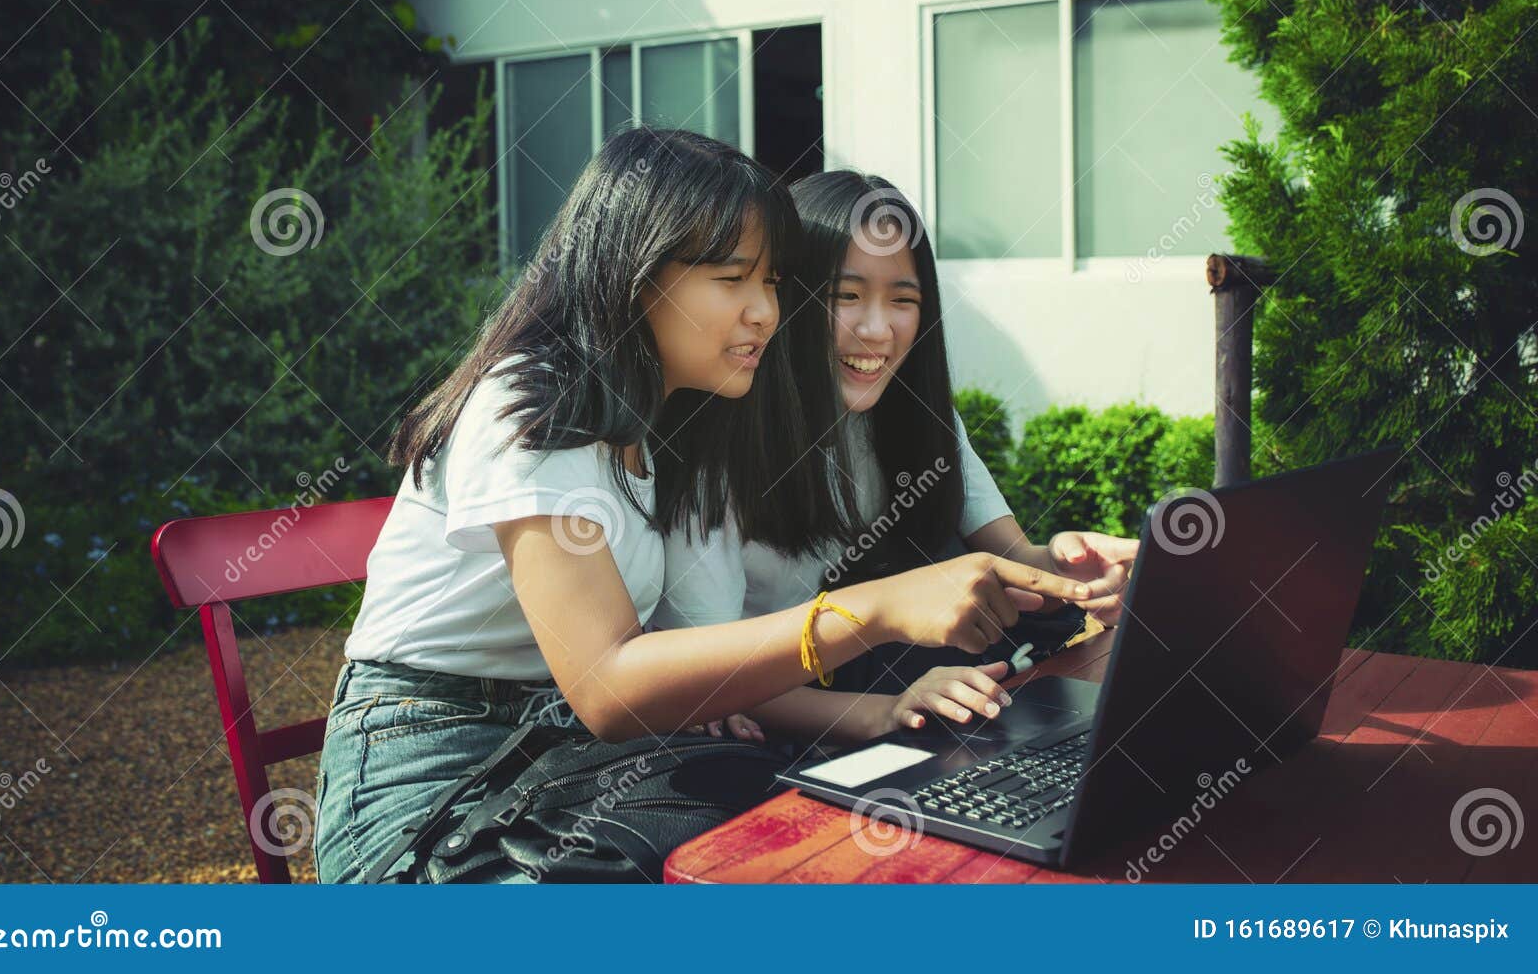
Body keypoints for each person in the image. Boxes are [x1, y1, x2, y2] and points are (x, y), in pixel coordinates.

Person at [313, 132, 1099, 883]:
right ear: (637, 271)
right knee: (763, 839)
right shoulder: (532, 405)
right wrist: (877, 609)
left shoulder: (654, 426)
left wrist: (880, 708)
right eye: (733, 279)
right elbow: (607, 683)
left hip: (558, 759)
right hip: (426, 800)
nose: (764, 311)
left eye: (771, 283)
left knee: (813, 814)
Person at [652, 170, 1135, 740]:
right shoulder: (719, 446)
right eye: (846, 297)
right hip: (772, 698)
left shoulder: (916, 414)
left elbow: (1014, 559)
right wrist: (891, 710)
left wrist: (1082, 576)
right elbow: (710, 683)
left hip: (856, 669)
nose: (877, 330)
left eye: (902, 300)